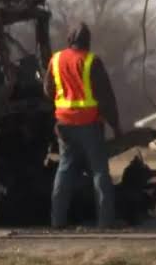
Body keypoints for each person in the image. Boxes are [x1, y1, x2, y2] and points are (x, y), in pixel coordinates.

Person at [44, 22, 122, 228]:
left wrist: (63, 105)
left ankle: (57, 221)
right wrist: (115, 125)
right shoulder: (91, 62)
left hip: (64, 126)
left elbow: (47, 90)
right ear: (88, 41)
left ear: (70, 39)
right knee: (99, 172)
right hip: (89, 125)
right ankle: (105, 222)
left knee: (65, 170)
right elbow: (106, 97)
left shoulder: (56, 60)